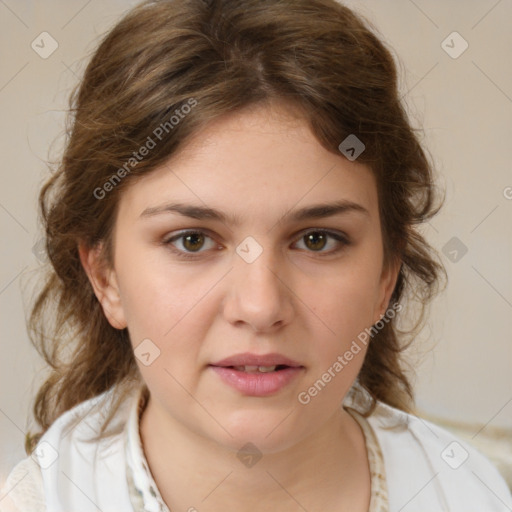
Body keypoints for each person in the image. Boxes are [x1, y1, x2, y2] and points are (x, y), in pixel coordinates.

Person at [1, 0, 511, 511]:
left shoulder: (475, 494)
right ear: (105, 276)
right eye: (192, 240)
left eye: (317, 240)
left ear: (386, 274)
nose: (261, 306)